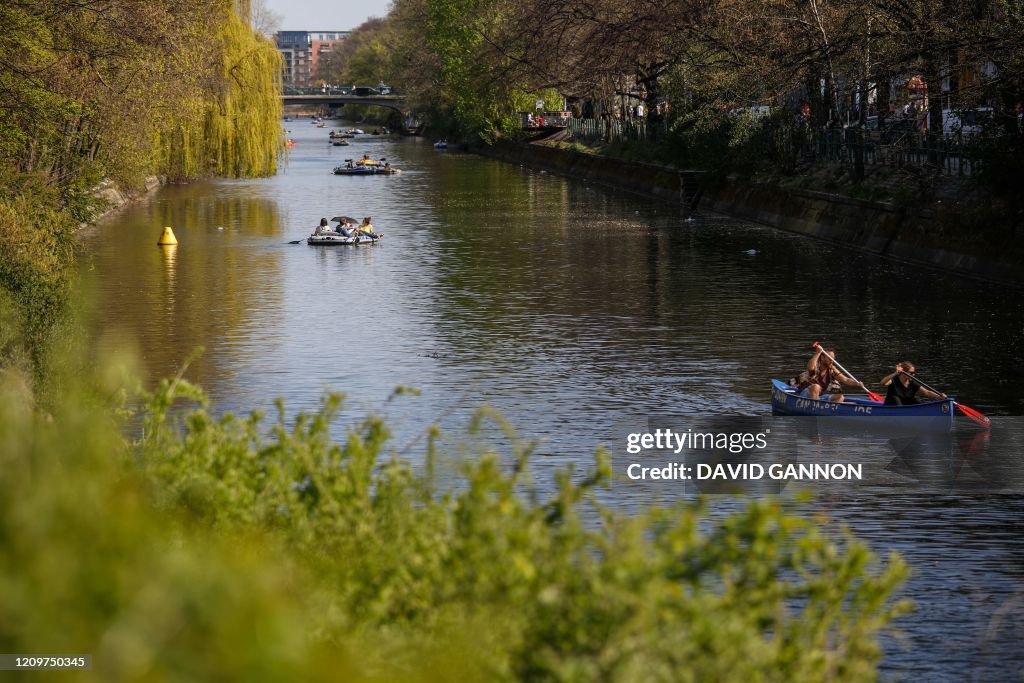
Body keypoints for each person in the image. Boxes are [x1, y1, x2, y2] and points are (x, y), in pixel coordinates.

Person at [796, 347, 865, 403]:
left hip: (820, 397)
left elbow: (845, 379)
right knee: (816, 387)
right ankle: (814, 408)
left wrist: (857, 383)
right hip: (806, 395)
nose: (832, 360)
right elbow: (810, 368)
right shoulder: (815, 365)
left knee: (840, 396)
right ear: (822, 358)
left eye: (833, 359)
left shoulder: (832, 370)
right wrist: (818, 353)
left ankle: (830, 411)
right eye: (829, 358)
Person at [880, 362, 946, 405]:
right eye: (911, 373)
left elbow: (927, 392)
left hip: (905, 406)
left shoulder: (912, 383)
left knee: (917, 401)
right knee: (895, 399)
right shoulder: (893, 380)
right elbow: (883, 382)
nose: (913, 375)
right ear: (903, 372)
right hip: (893, 406)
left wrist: (940, 396)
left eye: (913, 373)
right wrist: (895, 373)